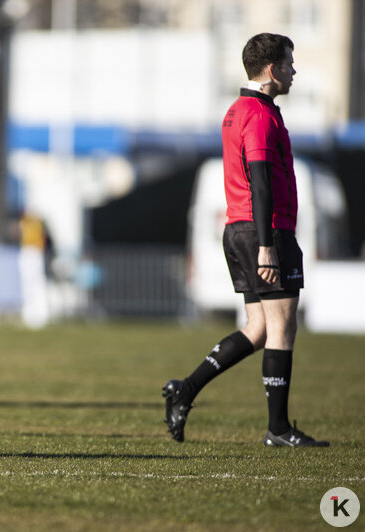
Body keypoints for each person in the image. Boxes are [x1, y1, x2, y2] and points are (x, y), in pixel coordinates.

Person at [163, 33, 328, 447]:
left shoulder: (237, 110)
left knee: (257, 328)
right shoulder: (257, 114)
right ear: (271, 70)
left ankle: (185, 389)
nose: (294, 71)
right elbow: (260, 182)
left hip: (240, 229)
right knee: (282, 327)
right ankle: (278, 429)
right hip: (262, 230)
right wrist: (268, 244)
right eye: (289, 64)